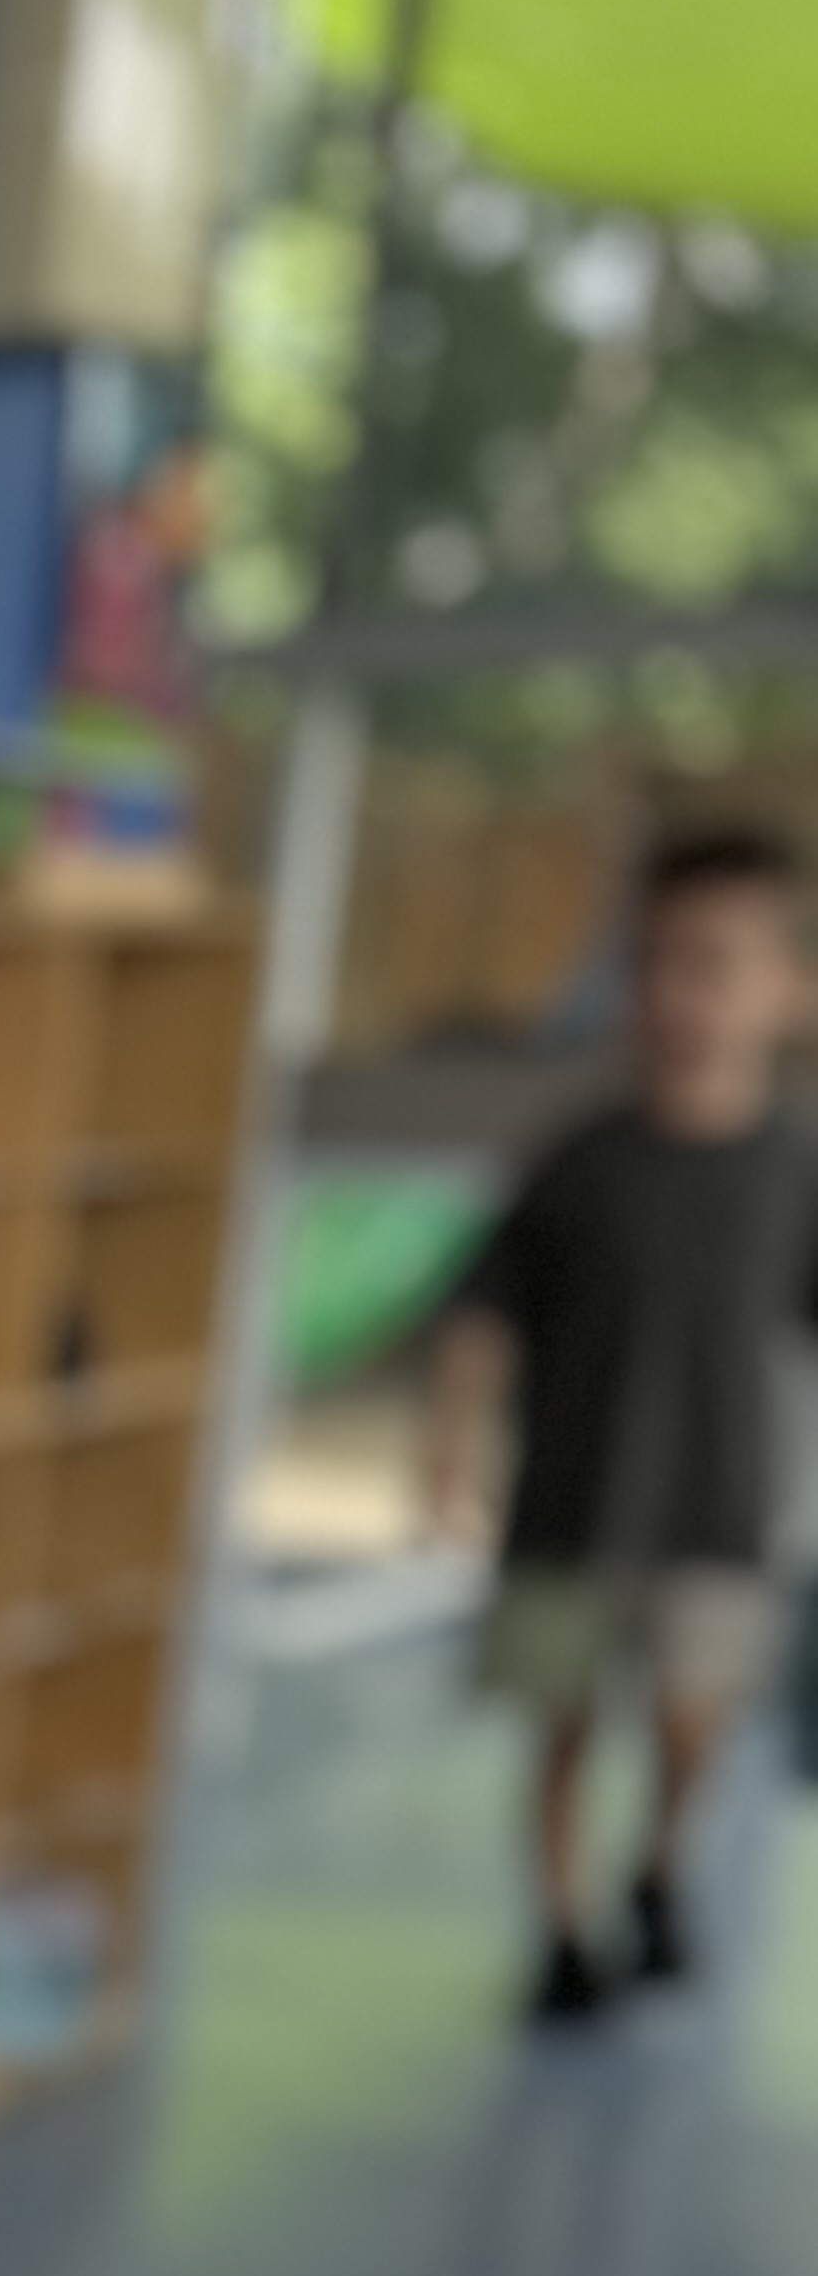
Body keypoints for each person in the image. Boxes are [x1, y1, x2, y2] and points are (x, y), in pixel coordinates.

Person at [427, 814, 818, 2023]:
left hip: (719, 1503)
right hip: (570, 1504)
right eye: (653, 962)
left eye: (711, 966)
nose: (673, 995)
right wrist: (450, 1448)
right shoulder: (581, 1160)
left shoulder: (793, 1169)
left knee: (694, 1724)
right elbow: (483, 1310)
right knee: (563, 1725)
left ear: (788, 993)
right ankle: (559, 1931)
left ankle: (655, 1871)